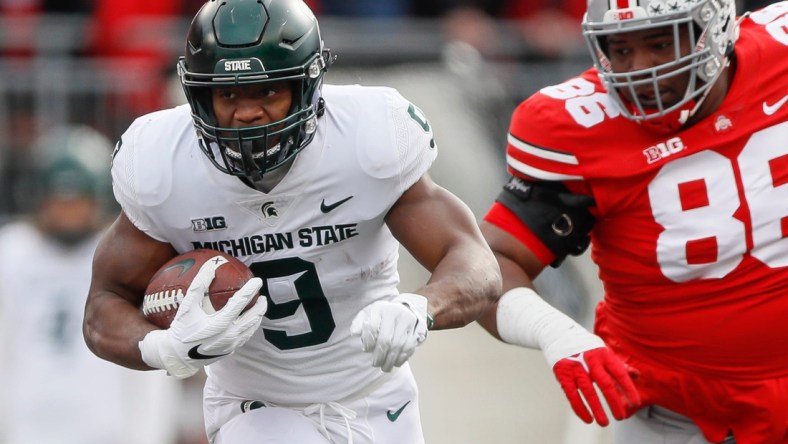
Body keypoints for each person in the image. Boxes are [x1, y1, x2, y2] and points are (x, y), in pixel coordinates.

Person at [82, 0, 502, 443]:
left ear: (308, 86)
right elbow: (103, 304)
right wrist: (160, 348)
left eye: (266, 92)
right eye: (228, 95)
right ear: (200, 95)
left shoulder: (368, 138)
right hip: (255, 408)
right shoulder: (162, 165)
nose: (246, 113)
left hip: (378, 398)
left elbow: (474, 261)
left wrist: (420, 307)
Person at [477, 0, 788, 443]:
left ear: (716, 28)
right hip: (671, 417)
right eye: (620, 50)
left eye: (660, 44)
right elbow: (487, 267)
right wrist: (553, 332)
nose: (640, 70)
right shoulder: (574, 126)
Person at [0, 125, 181, 444]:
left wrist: (148, 434)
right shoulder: (12, 252)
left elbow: (148, 354)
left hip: (106, 426)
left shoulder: (124, 255)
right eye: (59, 201)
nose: (68, 213)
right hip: (28, 425)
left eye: (77, 201)